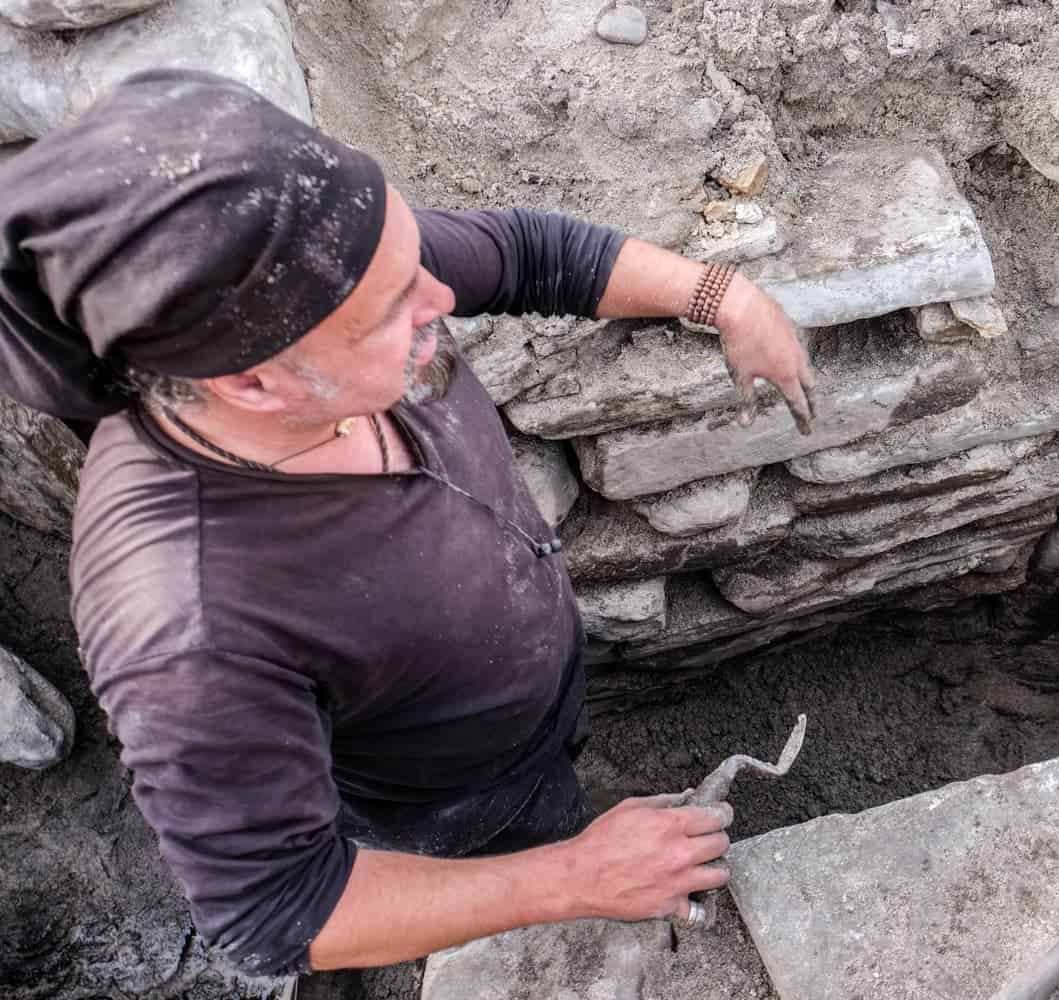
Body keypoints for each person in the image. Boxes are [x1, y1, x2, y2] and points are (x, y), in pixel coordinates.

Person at [0, 69, 816, 987]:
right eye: (397, 310)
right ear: (253, 383)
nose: (440, 294)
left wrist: (723, 297)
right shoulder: (191, 624)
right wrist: (574, 877)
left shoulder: (342, 280)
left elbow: (524, 251)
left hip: (520, 725)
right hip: (438, 809)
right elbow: (274, 910)